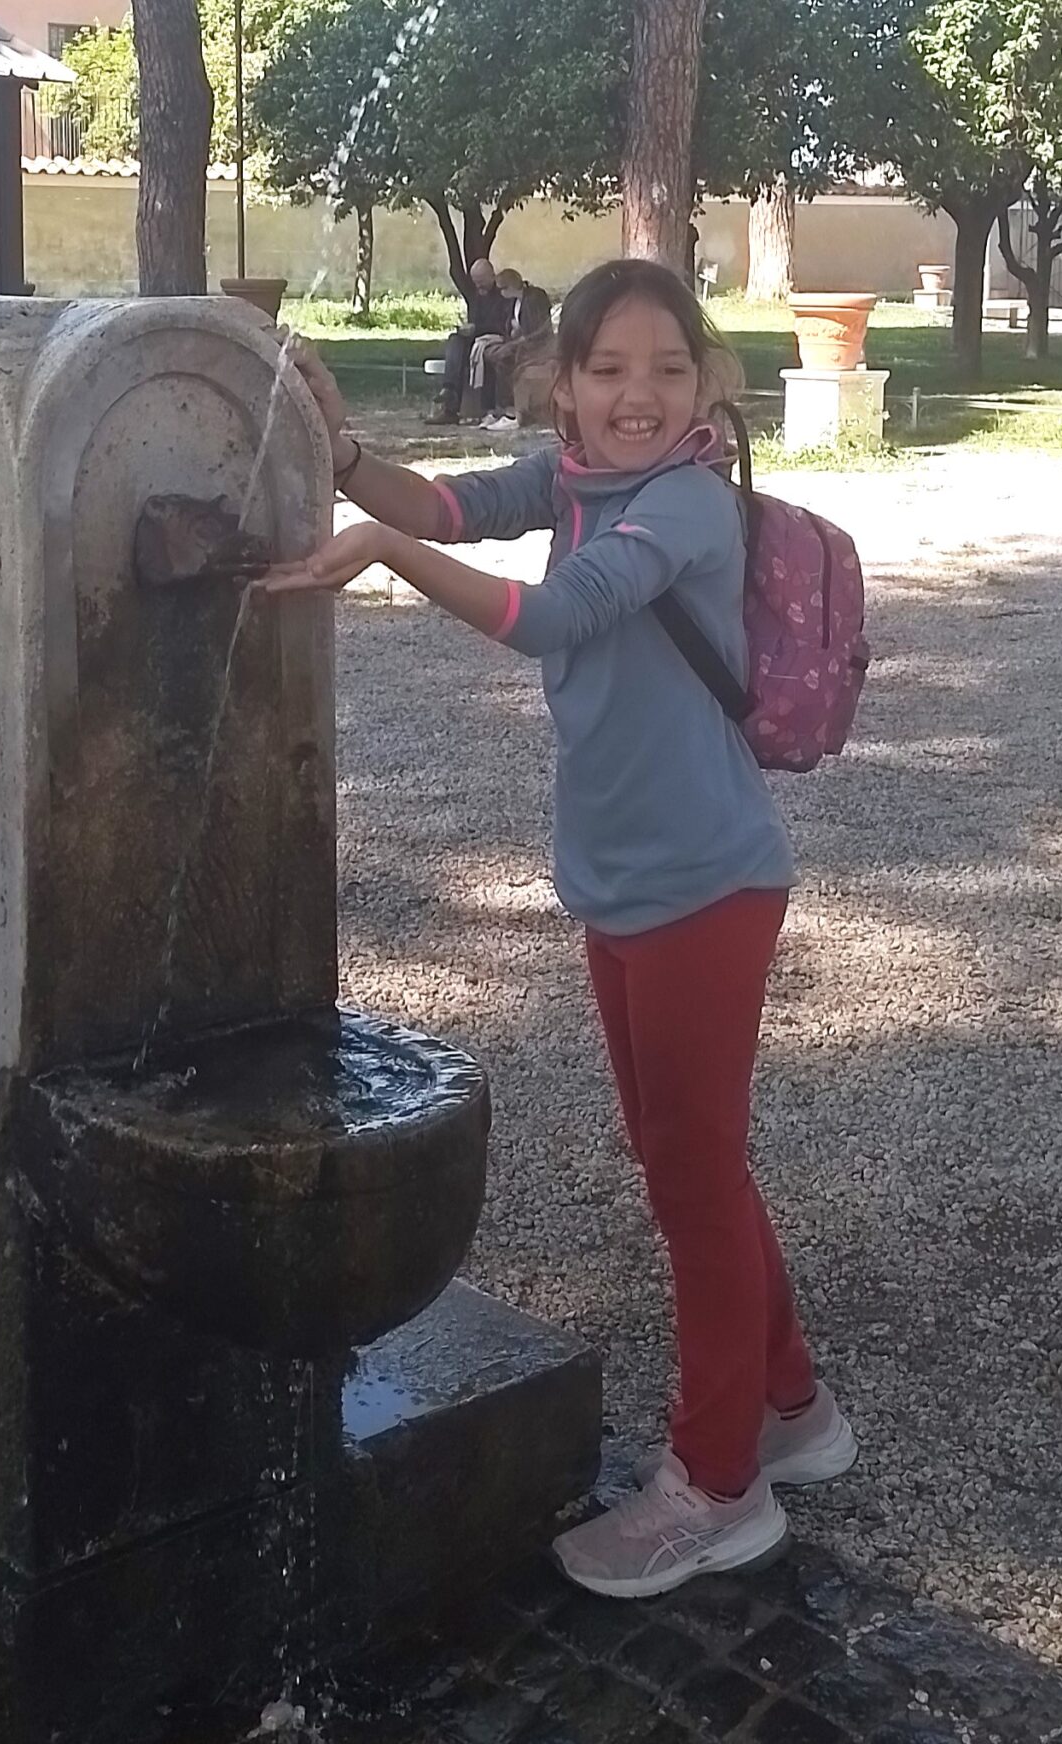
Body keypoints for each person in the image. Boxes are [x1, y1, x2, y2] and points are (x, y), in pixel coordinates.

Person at [265, 260, 856, 1599]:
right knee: (686, 1165)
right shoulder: (575, 478)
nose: (638, 394)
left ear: (707, 384)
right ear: (565, 387)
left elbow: (556, 618)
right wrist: (345, 457)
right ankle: (793, 1409)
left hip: (707, 888)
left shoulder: (686, 503)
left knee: (693, 1183)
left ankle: (720, 1489)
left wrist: (381, 556)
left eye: (667, 369)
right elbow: (448, 503)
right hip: (623, 883)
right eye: (608, 370)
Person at [428, 258, 511, 426]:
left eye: (481, 281)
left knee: (485, 354)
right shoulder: (477, 296)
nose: (478, 286)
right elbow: (475, 320)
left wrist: (476, 328)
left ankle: (487, 410)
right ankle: (449, 393)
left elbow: (502, 325)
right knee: (455, 340)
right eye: (475, 282)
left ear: (491, 276)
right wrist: (467, 330)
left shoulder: (503, 295)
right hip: (477, 336)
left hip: (495, 338)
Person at [473, 270, 554, 431]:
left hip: (537, 345)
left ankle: (509, 409)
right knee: (487, 354)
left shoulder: (534, 297)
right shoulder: (515, 301)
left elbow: (537, 330)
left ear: (509, 287)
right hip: (521, 342)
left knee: (503, 358)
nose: (500, 293)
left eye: (501, 289)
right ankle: (492, 408)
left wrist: (515, 341)